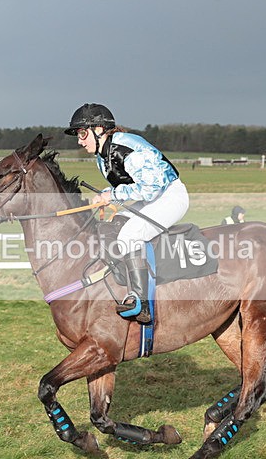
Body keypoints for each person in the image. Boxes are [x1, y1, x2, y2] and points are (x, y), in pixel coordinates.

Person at [65, 103, 189, 323]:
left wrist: (111, 196)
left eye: (83, 133)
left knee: (130, 235)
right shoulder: (102, 155)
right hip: (154, 197)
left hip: (170, 196)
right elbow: (128, 188)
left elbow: (151, 188)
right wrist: (106, 195)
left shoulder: (125, 147)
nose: (79, 140)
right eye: (78, 135)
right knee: (112, 225)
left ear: (99, 129)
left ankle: (141, 304)